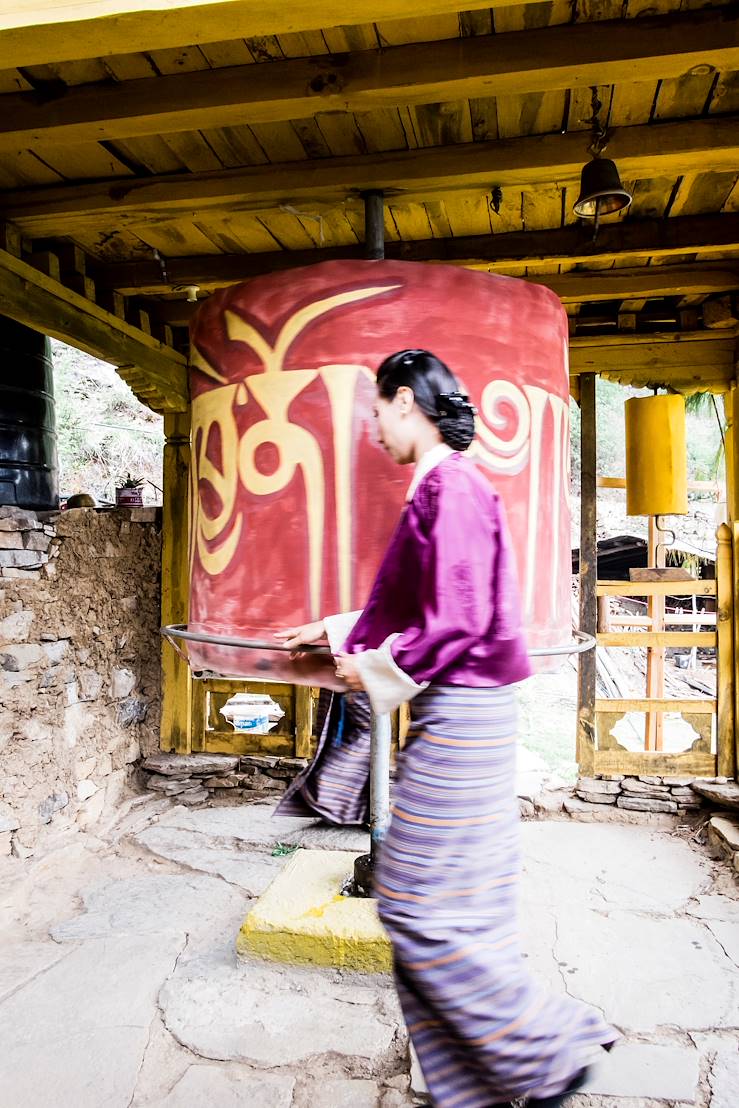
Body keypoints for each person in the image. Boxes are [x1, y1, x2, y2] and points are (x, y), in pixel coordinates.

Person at [278, 349, 617, 1108]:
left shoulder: (451, 487)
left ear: (405, 402)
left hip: (465, 710)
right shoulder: (438, 489)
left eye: (374, 409)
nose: (369, 427)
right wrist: (336, 633)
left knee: (415, 905)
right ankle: (476, 1085)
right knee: (455, 904)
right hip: (459, 704)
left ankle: (545, 1053)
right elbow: (404, 608)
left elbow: (455, 620)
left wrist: (366, 666)